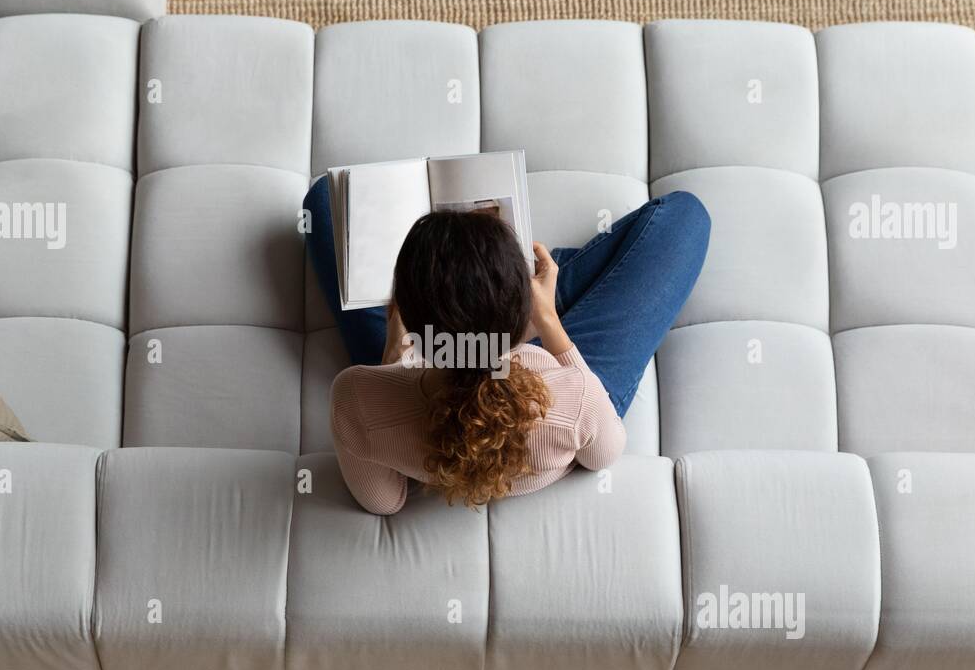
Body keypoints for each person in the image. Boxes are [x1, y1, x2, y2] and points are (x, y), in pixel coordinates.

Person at [304, 177, 710, 514]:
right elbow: (604, 452)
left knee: (325, 198)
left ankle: (477, 286)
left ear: (401, 309)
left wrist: (394, 358)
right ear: (522, 322)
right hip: (550, 385)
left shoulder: (355, 397)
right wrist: (548, 324)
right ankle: (500, 285)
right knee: (686, 215)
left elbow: (384, 501)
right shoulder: (574, 394)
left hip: (415, 380)